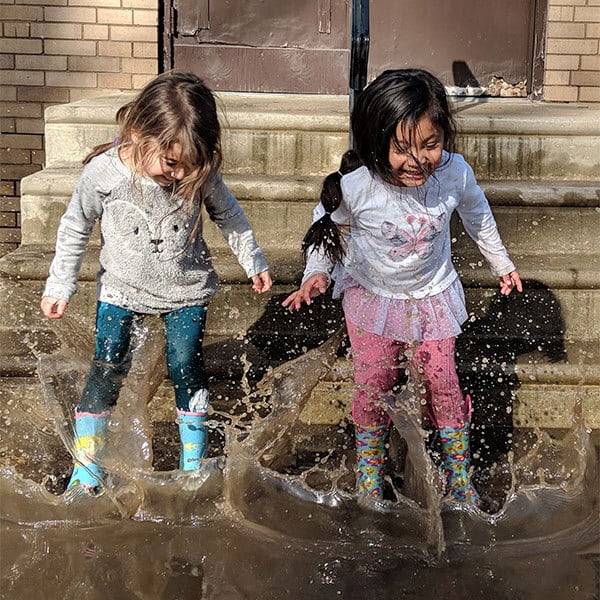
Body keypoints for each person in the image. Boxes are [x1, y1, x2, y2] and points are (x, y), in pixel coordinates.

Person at [283, 69, 522, 504]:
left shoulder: (454, 173)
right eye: (402, 148)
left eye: (430, 145)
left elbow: (477, 213)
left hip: (433, 295)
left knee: (442, 381)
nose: (418, 160)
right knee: (375, 380)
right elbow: (326, 230)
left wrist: (501, 262)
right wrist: (315, 274)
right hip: (374, 297)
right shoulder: (357, 186)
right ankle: (371, 473)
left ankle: (458, 474)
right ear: (376, 141)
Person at [41, 72, 272, 491]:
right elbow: (76, 225)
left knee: (184, 364)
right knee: (107, 365)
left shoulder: (195, 174)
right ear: (139, 134)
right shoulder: (104, 173)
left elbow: (229, 215)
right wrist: (60, 284)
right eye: (171, 163)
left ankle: (191, 465)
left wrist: (252, 260)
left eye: (191, 164)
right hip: (121, 289)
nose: (180, 173)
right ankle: (88, 463)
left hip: (185, 290)